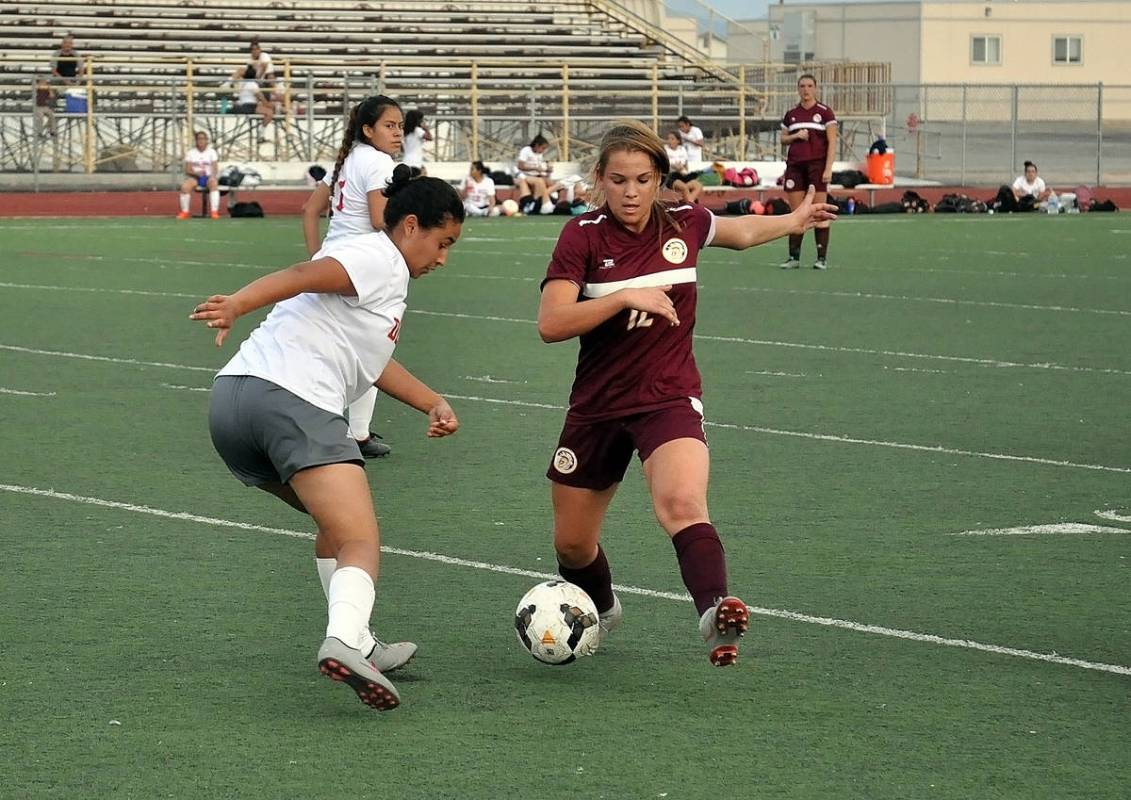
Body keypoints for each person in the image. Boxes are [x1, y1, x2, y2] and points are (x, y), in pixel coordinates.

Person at [537, 120, 836, 667]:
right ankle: (600, 607)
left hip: (668, 397)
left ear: (660, 181)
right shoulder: (581, 235)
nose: (631, 192)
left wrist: (796, 219)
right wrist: (628, 297)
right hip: (597, 406)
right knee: (572, 545)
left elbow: (740, 234)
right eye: (619, 180)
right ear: (600, 180)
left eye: (643, 179)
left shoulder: (685, 221)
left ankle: (715, 608)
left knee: (681, 502)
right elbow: (552, 322)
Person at [189, 165, 465, 711]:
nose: (442, 258)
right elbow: (303, 271)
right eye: (443, 242)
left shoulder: (381, 279)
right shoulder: (378, 257)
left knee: (336, 528)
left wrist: (431, 400)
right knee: (362, 540)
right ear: (410, 225)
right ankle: (342, 639)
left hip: (234, 405)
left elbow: (374, 363)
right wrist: (239, 303)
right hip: (291, 402)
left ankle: (358, 641)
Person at [301, 94, 404, 459]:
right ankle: (356, 433)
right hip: (363, 266)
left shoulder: (346, 160)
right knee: (371, 346)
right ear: (367, 129)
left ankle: (337, 427)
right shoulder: (378, 162)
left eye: (400, 127)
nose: (398, 134)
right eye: (389, 126)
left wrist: (316, 257)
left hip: (332, 260)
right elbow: (380, 220)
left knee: (330, 347)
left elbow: (310, 210)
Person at [779, 73, 838, 270]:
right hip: (795, 166)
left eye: (810, 86)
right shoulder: (792, 114)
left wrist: (828, 167)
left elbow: (832, 142)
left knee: (819, 210)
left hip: (817, 167)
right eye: (802, 86)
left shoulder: (825, 112)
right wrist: (796, 135)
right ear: (798, 89)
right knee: (796, 212)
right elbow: (783, 139)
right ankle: (793, 257)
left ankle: (821, 258)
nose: (806, 90)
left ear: (815, 88)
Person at [177, 130, 221, 220]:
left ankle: (214, 212)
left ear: (206, 141)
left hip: (208, 177)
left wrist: (212, 176)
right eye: (199, 139)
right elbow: (188, 169)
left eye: (203, 139)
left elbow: (215, 168)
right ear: (196, 141)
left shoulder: (212, 152)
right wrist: (196, 173)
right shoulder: (191, 153)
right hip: (195, 177)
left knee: (213, 184)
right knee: (185, 187)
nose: (201, 141)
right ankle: (185, 212)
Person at [515, 134, 561, 214]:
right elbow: (520, 166)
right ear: (536, 145)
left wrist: (547, 170)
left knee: (553, 182)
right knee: (539, 182)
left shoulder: (539, 154)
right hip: (525, 175)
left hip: (536, 174)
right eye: (542, 148)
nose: (543, 151)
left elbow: (539, 168)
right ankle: (534, 203)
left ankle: (551, 201)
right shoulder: (526, 150)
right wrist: (535, 169)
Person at [663, 131, 703, 204]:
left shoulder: (682, 149)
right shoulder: (665, 149)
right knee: (684, 188)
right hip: (672, 176)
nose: (669, 141)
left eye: (672, 139)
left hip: (682, 174)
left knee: (698, 186)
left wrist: (681, 168)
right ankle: (691, 205)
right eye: (668, 139)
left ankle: (689, 203)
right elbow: (665, 164)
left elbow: (685, 164)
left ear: (678, 141)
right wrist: (674, 166)